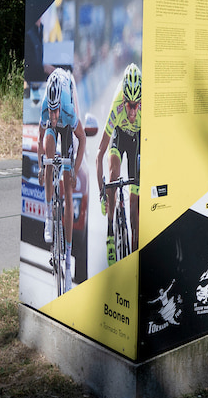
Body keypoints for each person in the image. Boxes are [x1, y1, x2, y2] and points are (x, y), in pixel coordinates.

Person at [40, 67, 86, 291]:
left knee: (68, 188)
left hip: (69, 132)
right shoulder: (45, 109)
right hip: (52, 135)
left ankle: (68, 262)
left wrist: (74, 171)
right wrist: (42, 166)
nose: (54, 115)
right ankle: (48, 216)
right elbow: (41, 137)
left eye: (55, 111)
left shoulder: (67, 109)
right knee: (49, 157)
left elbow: (83, 141)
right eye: (51, 111)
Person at [95, 63, 142, 267]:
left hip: (136, 141)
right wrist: (102, 192)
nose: (132, 111)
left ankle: (135, 252)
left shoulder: (146, 108)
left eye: (136, 104)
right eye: (129, 104)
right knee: (113, 174)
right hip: (119, 136)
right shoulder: (117, 106)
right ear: (123, 99)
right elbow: (99, 154)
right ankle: (110, 233)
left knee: (134, 203)